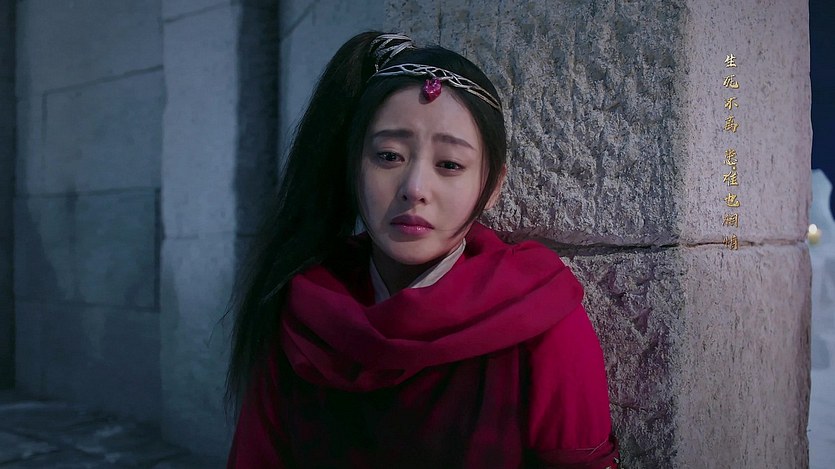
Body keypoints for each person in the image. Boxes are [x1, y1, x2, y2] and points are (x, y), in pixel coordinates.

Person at [225, 31, 620, 468]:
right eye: (389, 156)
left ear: (493, 185)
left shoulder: (537, 315)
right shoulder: (304, 312)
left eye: (449, 164)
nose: (414, 188)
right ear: (352, 167)